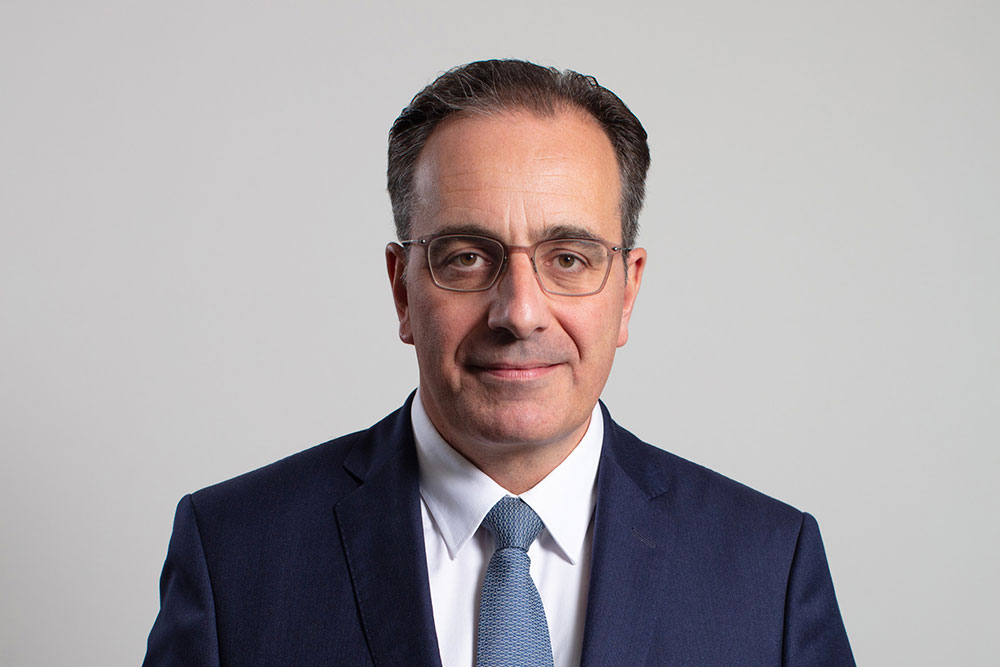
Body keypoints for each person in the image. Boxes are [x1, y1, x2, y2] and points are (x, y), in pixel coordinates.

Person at [143, 59, 855, 666]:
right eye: (466, 258)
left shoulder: (769, 568)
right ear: (402, 290)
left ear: (628, 290)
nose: (519, 312)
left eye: (568, 258)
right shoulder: (235, 553)